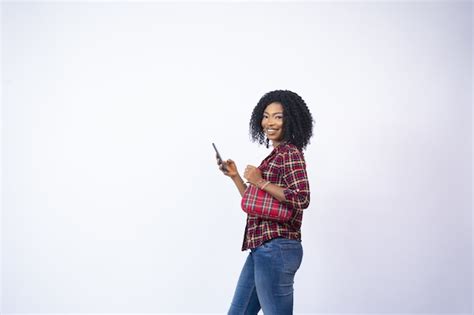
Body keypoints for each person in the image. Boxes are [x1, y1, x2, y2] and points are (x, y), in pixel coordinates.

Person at [217, 90, 314, 314]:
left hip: (277, 248)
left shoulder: (290, 153)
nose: (269, 122)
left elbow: (302, 197)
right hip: (262, 248)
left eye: (278, 116)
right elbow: (258, 204)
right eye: (266, 115)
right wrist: (235, 177)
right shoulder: (276, 155)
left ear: (291, 120)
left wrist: (259, 181)